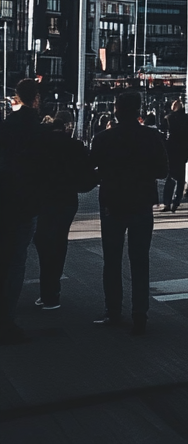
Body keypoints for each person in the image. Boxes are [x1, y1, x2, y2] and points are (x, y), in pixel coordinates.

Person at [91, 90, 169, 334]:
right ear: (138, 110)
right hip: (141, 203)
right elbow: (163, 170)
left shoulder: (103, 138)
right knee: (140, 259)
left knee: (112, 260)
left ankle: (113, 311)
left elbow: (91, 170)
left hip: (112, 204)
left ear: (116, 110)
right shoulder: (152, 136)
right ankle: (140, 313)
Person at [33, 111, 95, 310]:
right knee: (59, 242)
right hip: (66, 200)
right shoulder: (74, 146)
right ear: (67, 126)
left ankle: (47, 290)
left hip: (42, 199)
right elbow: (87, 176)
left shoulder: (38, 144)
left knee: (43, 242)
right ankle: (53, 290)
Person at [0, 79, 45, 345]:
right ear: (36, 98)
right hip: (25, 202)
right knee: (16, 261)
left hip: (4, 197)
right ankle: (7, 320)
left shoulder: (6, 126)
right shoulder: (37, 128)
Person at [161, 100, 188, 213]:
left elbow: (162, 134)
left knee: (170, 176)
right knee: (181, 177)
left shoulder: (168, 118)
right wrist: (186, 143)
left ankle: (167, 202)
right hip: (182, 151)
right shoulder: (186, 119)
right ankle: (176, 201)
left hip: (170, 151)